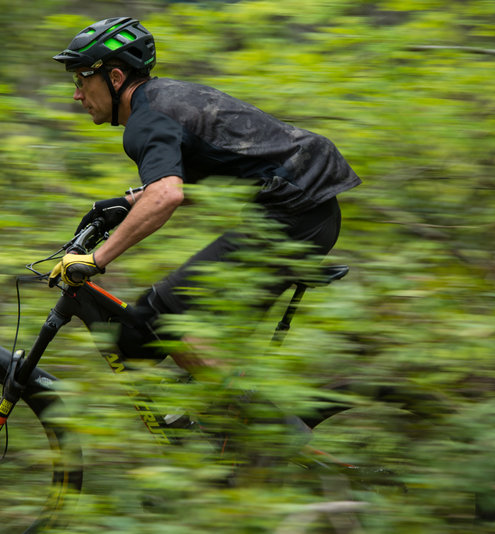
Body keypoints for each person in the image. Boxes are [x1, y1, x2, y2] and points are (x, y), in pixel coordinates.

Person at [50, 17, 361, 375]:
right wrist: (127, 203)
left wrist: (95, 260)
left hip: (295, 217)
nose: (77, 94)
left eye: (81, 80)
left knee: (160, 317)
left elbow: (166, 194)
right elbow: (192, 184)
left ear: (115, 78)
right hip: (311, 213)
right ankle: (234, 416)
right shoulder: (167, 97)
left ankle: (245, 424)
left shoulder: (146, 121)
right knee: (169, 333)